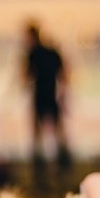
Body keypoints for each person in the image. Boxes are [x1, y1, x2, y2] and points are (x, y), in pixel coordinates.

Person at [22, 22, 71, 167]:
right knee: (57, 132)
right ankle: (63, 163)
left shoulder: (34, 53)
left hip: (41, 97)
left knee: (39, 134)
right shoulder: (52, 52)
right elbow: (64, 76)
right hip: (51, 96)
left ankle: (41, 166)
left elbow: (26, 77)